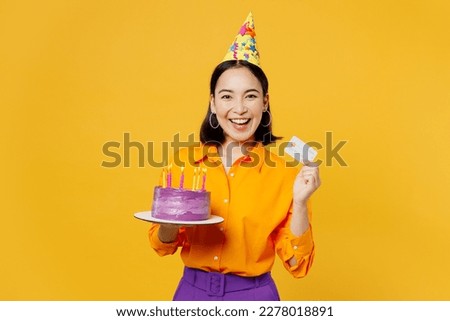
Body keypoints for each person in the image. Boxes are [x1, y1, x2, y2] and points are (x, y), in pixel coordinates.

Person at [148, 13, 321, 301]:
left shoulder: (284, 175)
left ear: (264, 103)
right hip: (192, 295)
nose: (239, 109)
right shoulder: (183, 164)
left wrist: (301, 202)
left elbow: (297, 265)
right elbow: (162, 245)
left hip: (254, 297)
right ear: (213, 103)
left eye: (250, 96)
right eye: (227, 96)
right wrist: (169, 217)